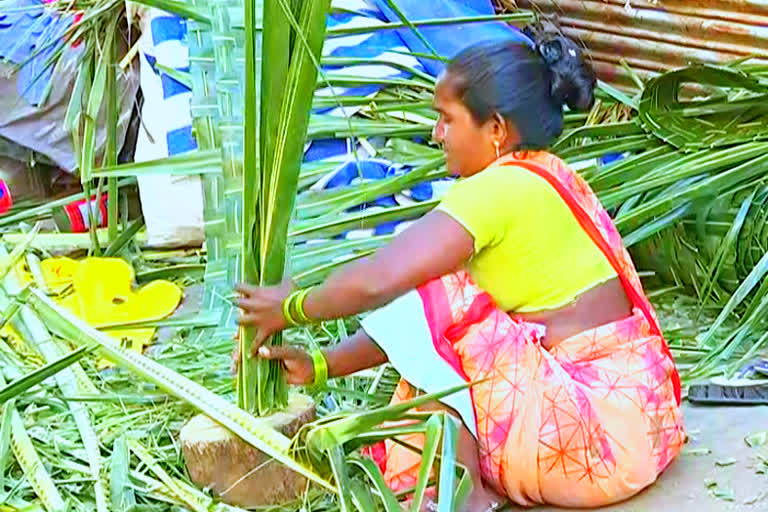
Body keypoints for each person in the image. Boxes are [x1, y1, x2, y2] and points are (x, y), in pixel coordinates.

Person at [235, 31, 684, 511]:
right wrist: (322, 365)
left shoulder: (495, 192)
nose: (436, 134)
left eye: (446, 119)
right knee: (446, 295)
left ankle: (466, 496)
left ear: (495, 129)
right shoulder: (549, 172)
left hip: (589, 441)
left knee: (436, 285)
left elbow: (381, 281)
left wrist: (288, 307)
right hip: (644, 423)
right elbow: (427, 319)